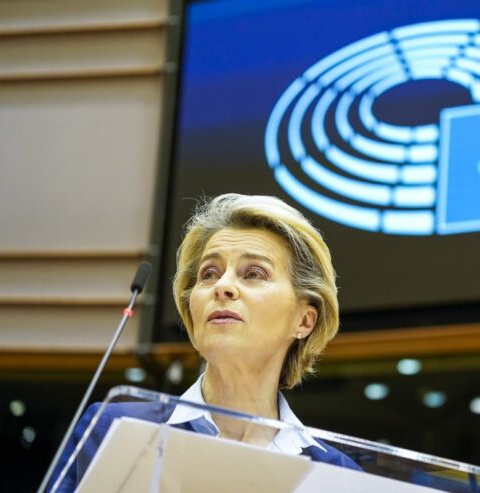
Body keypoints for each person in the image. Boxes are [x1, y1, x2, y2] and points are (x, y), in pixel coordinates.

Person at [49, 194, 360, 491]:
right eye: (209, 274)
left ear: (304, 321)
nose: (222, 286)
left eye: (254, 273)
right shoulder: (115, 429)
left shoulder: (339, 478)